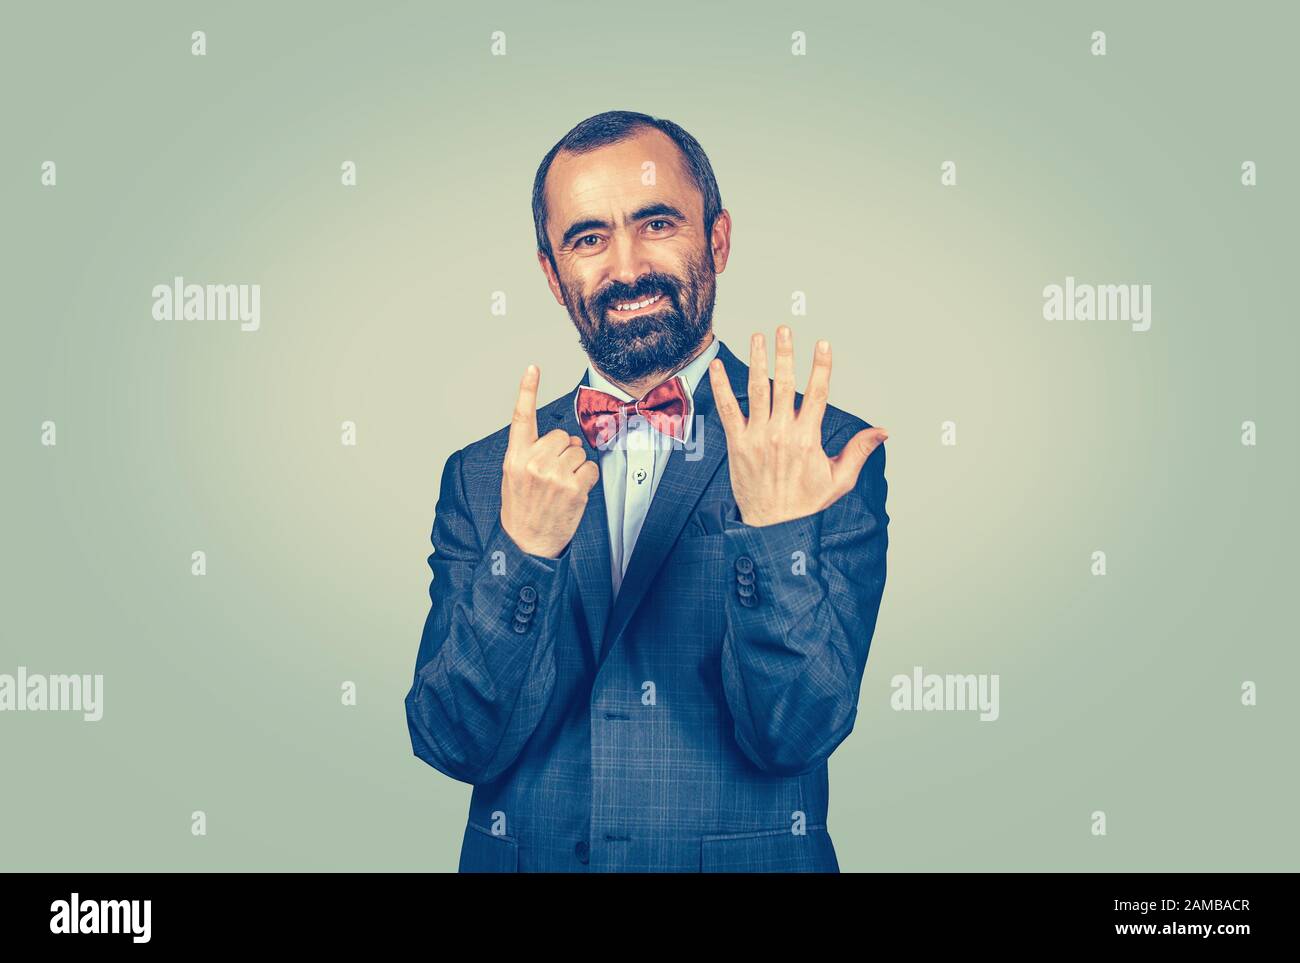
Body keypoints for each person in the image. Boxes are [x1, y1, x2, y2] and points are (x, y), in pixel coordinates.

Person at [405, 110, 890, 872]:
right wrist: (523, 556)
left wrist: (771, 534)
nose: (626, 267)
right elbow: (450, 740)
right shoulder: (480, 473)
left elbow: (794, 733)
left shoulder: (819, 450)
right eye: (588, 238)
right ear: (552, 273)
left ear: (718, 239)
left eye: (656, 222)